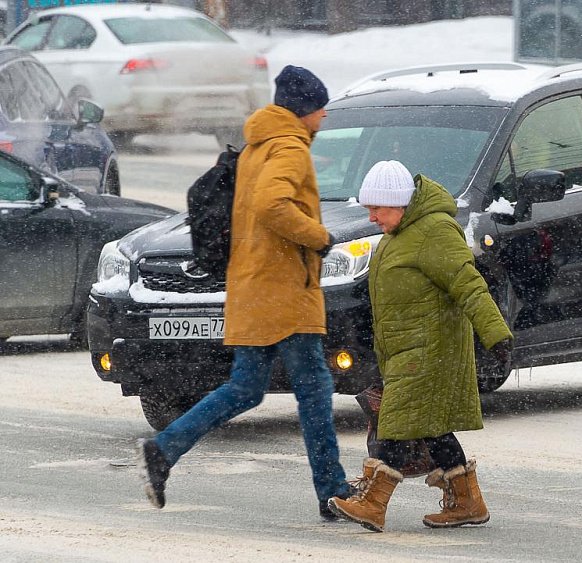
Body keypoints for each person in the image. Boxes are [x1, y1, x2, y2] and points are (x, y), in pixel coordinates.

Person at [138, 65, 353, 521]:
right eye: (320, 108)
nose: (324, 117)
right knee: (314, 389)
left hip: (254, 287)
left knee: (245, 388)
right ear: (305, 110)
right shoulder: (290, 148)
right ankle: (333, 490)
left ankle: (163, 449)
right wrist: (318, 236)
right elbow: (271, 204)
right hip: (285, 293)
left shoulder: (258, 147)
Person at [331, 160, 513, 533]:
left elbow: (468, 283)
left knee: (396, 425)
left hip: (430, 351)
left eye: (378, 209)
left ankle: (373, 503)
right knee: (431, 427)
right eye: (369, 210)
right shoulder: (398, 235)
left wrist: (496, 334)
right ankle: (466, 502)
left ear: (399, 203)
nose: (373, 217)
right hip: (406, 351)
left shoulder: (435, 231)